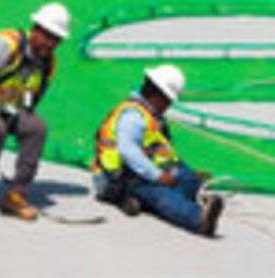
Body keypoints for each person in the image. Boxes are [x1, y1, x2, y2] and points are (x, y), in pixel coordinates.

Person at [0, 1, 71, 219]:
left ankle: (16, 196)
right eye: (48, 36)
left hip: (6, 106)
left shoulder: (48, 64)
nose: (51, 44)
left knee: (37, 128)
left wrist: (17, 111)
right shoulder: (9, 44)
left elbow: (31, 98)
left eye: (56, 40)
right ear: (35, 29)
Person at [94, 64, 223, 238]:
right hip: (118, 179)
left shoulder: (151, 116)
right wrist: (157, 176)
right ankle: (198, 219)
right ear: (159, 96)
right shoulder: (133, 116)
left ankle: (139, 202)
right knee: (159, 194)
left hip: (140, 174)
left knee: (188, 179)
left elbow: (159, 151)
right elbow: (128, 151)